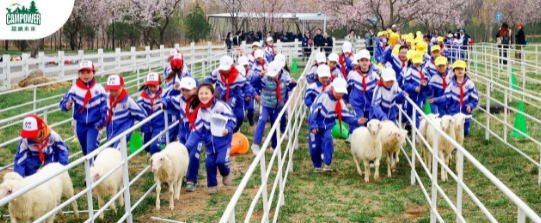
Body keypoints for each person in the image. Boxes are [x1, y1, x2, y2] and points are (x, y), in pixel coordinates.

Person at [183, 83, 236, 194]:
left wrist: (227, 128)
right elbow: (196, 130)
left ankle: (225, 173)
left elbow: (232, 119)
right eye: (201, 94)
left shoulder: (221, 106)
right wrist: (187, 147)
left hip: (223, 141)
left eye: (206, 93)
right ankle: (212, 185)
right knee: (209, 163)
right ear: (197, 95)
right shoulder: (200, 111)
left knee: (222, 162)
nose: (204, 96)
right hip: (209, 143)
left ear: (212, 94)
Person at [308, 78, 368, 172]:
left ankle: (327, 164)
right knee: (315, 146)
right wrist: (313, 125)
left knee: (328, 140)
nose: (339, 94)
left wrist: (356, 121)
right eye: (338, 91)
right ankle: (317, 164)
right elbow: (313, 111)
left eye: (341, 92)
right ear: (332, 88)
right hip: (316, 125)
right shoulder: (322, 97)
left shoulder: (340, 102)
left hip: (328, 126)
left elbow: (345, 115)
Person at [156, 77, 202, 192]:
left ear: (195, 89)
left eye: (188, 90)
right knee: (180, 155)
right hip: (183, 133)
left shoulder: (201, 100)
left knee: (193, 155)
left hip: (197, 132)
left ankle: (191, 179)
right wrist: (162, 102)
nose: (185, 92)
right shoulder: (180, 99)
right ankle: (176, 176)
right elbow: (169, 100)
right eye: (183, 90)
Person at [60, 60, 106, 159]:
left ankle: (91, 172)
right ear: (79, 74)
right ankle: (93, 168)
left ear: (93, 73)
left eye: (88, 72)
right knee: (85, 150)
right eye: (82, 72)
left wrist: (103, 119)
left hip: (95, 124)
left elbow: (105, 105)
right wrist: (66, 105)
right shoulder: (75, 89)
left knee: (91, 149)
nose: (85, 75)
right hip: (80, 124)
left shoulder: (99, 89)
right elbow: (64, 101)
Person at [95, 75, 148, 149]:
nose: (113, 92)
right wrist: (101, 123)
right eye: (110, 89)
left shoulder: (128, 101)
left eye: (115, 89)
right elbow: (106, 115)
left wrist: (145, 129)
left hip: (123, 133)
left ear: (123, 86)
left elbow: (142, 114)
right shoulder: (108, 99)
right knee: (112, 151)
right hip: (111, 133)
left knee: (117, 151)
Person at [250, 61, 292, 154]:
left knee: (276, 124)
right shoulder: (265, 78)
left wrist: (292, 84)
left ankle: (274, 146)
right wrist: (259, 76)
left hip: (277, 106)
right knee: (262, 120)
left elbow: (288, 88)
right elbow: (252, 84)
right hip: (265, 104)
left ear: (280, 72)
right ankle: (255, 144)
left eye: (275, 74)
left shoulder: (285, 78)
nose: (273, 76)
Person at [205, 56, 253, 133]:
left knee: (239, 116)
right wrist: (205, 87)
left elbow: (246, 85)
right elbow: (209, 79)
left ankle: (235, 130)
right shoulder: (217, 72)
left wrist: (248, 94)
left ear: (232, 66)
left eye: (227, 68)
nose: (225, 70)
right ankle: (220, 131)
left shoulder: (238, 75)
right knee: (219, 114)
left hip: (235, 96)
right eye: (223, 68)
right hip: (220, 94)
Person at [430, 60, 478, 136]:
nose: (459, 71)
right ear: (454, 71)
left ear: (465, 70)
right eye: (457, 69)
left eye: (461, 69)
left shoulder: (470, 84)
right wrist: (435, 100)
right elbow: (446, 98)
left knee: (465, 132)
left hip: (465, 113)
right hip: (453, 112)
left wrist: (471, 105)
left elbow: (474, 98)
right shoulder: (451, 85)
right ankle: (453, 147)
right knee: (452, 133)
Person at [346, 49, 380, 139]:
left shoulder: (375, 77)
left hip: (370, 105)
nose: (364, 63)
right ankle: (352, 136)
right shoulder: (352, 75)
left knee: (368, 125)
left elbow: (379, 91)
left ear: (370, 62)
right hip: (357, 104)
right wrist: (347, 98)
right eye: (362, 60)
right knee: (359, 123)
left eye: (366, 60)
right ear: (358, 62)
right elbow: (348, 88)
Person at [136, 73, 166, 156]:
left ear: (160, 84)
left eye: (154, 86)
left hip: (159, 124)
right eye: (150, 86)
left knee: (154, 147)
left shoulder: (164, 93)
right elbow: (137, 106)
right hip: (147, 125)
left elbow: (169, 102)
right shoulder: (143, 95)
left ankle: (157, 157)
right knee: (146, 146)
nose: (152, 88)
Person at [403, 53, 430, 129]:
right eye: (416, 61)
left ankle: (416, 131)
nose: (417, 63)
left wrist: (426, 84)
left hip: (421, 96)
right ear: (411, 61)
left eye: (419, 61)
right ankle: (406, 122)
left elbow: (428, 81)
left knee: (418, 112)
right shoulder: (409, 70)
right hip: (411, 95)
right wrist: (414, 88)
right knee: (409, 112)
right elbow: (405, 84)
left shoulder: (424, 70)